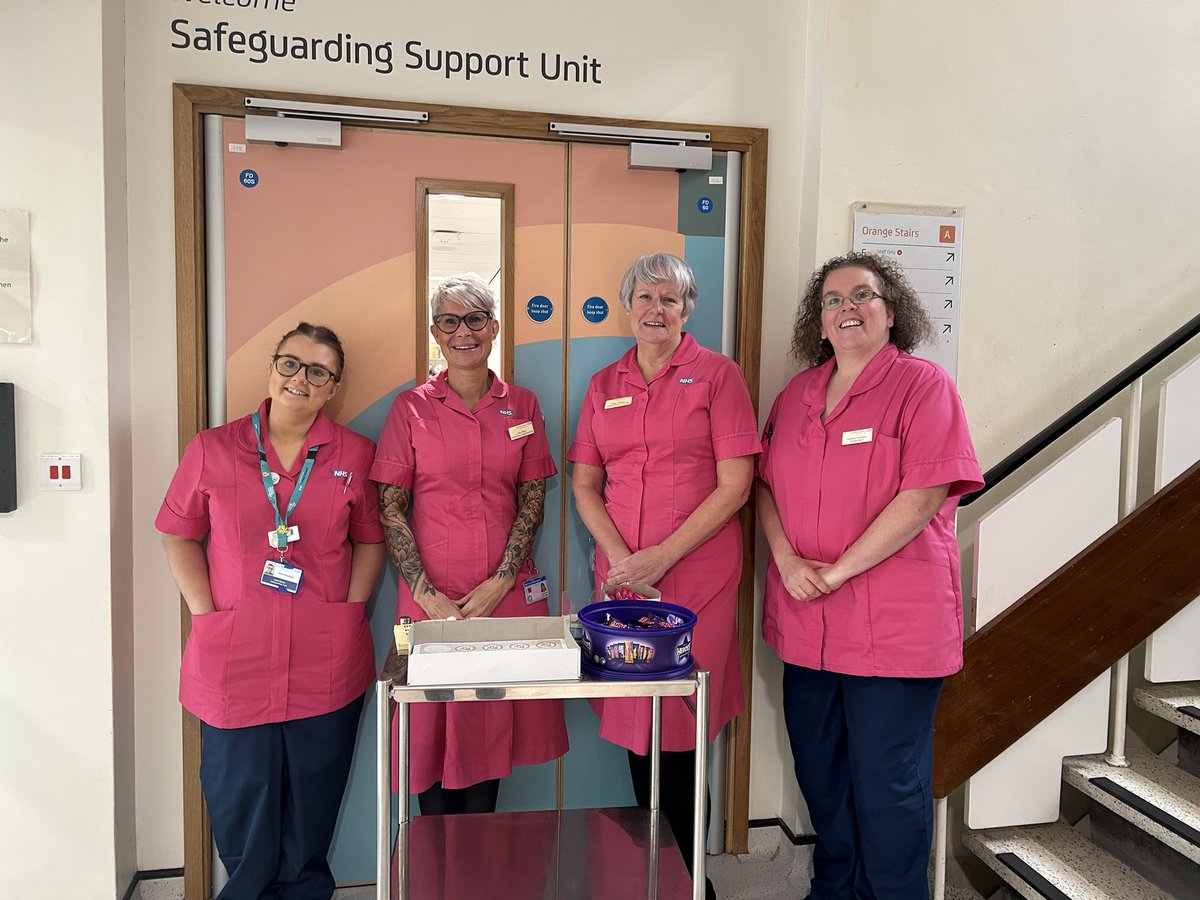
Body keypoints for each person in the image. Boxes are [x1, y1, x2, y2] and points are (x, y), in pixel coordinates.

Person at [758, 251, 983, 900]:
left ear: (892, 312)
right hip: (808, 627)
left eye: (863, 295)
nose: (847, 307)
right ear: (819, 321)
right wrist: (787, 559)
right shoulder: (797, 395)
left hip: (893, 629)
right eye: (832, 299)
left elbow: (923, 497)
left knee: (887, 782)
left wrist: (837, 572)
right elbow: (763, 488)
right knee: (822, 773)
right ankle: (836, 889)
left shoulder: (923, 386)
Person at [157, 322, 385, 900]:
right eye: (290, 363)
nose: (299, 379)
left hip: (323, 655)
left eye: (317, 371)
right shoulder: (212, 448)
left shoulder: (355, 454)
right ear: (272, 367)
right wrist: (206, 614)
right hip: (235, 653)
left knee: (313, 802)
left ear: (333, 386)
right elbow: (178, 535)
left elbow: (370, 540)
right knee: (240, 801)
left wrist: (350, 609)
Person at [568, 253, 761, 900]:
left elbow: (737, 485)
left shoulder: (718, 376)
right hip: (624, 582)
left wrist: (662, 556)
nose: (657, 309)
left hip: (697, 578)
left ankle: (688, 878)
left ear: (688, 309)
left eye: (671, 299)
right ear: (628, 306)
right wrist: (625, 559)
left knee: (681, 721)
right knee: (636, 721)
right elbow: (585, 483)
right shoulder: (604, 383)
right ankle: (654, 870)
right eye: (646, 297)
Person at [371, 273, 568, 815]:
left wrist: (501, 581)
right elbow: (391, 508)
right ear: (436, 333)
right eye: (450, 321)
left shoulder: (522, 405)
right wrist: (425, 592)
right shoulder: (410, 409)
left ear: (495, 328)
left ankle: (477, 873)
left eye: (475, 319)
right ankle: (434, 876)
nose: (464, 332)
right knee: (428, 738)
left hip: (501, 597)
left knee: (486, 737)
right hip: (428, 600)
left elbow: (533, 502)